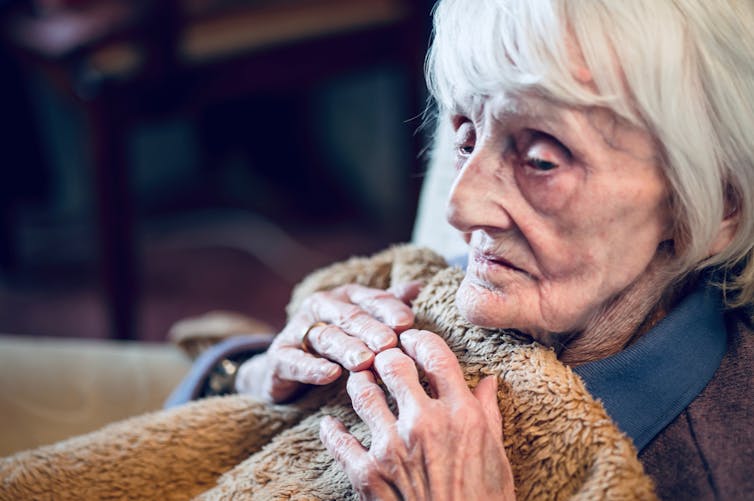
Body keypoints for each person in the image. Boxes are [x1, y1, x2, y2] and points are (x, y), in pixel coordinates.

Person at [194, 0, 752, 498]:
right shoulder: (440, 292)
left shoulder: (712, 470)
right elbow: (166, 446)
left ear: (712, 205)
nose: (459, 207)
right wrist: (254, 376)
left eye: (541, 161)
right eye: (465, 136)